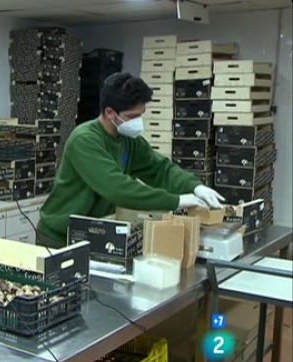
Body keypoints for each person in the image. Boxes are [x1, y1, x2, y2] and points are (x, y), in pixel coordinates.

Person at [37, 72, 224, 249]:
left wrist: (194, 186)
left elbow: (160, 169)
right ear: (110, 113)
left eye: (141, 114)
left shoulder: (128, 140)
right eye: (132, 116)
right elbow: (117, 188)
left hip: (93, 232)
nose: (138, 122)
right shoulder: (84, 139)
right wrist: (175, 201)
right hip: (59, 237)